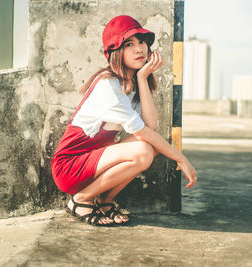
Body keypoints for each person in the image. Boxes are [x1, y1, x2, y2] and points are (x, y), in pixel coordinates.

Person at [51, 15, 197, 226]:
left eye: (142, 42)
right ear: (115, 52)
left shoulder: (131, 85)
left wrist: (142, 78)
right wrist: (181, 159)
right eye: (129, 44)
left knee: (150, 147)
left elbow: (150, 126)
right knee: (143, 149)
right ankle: (81, 200)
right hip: (70, 167)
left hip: (95, 162)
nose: (140, 49)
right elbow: (143, 132)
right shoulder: (107, 85)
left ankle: (105, 200)